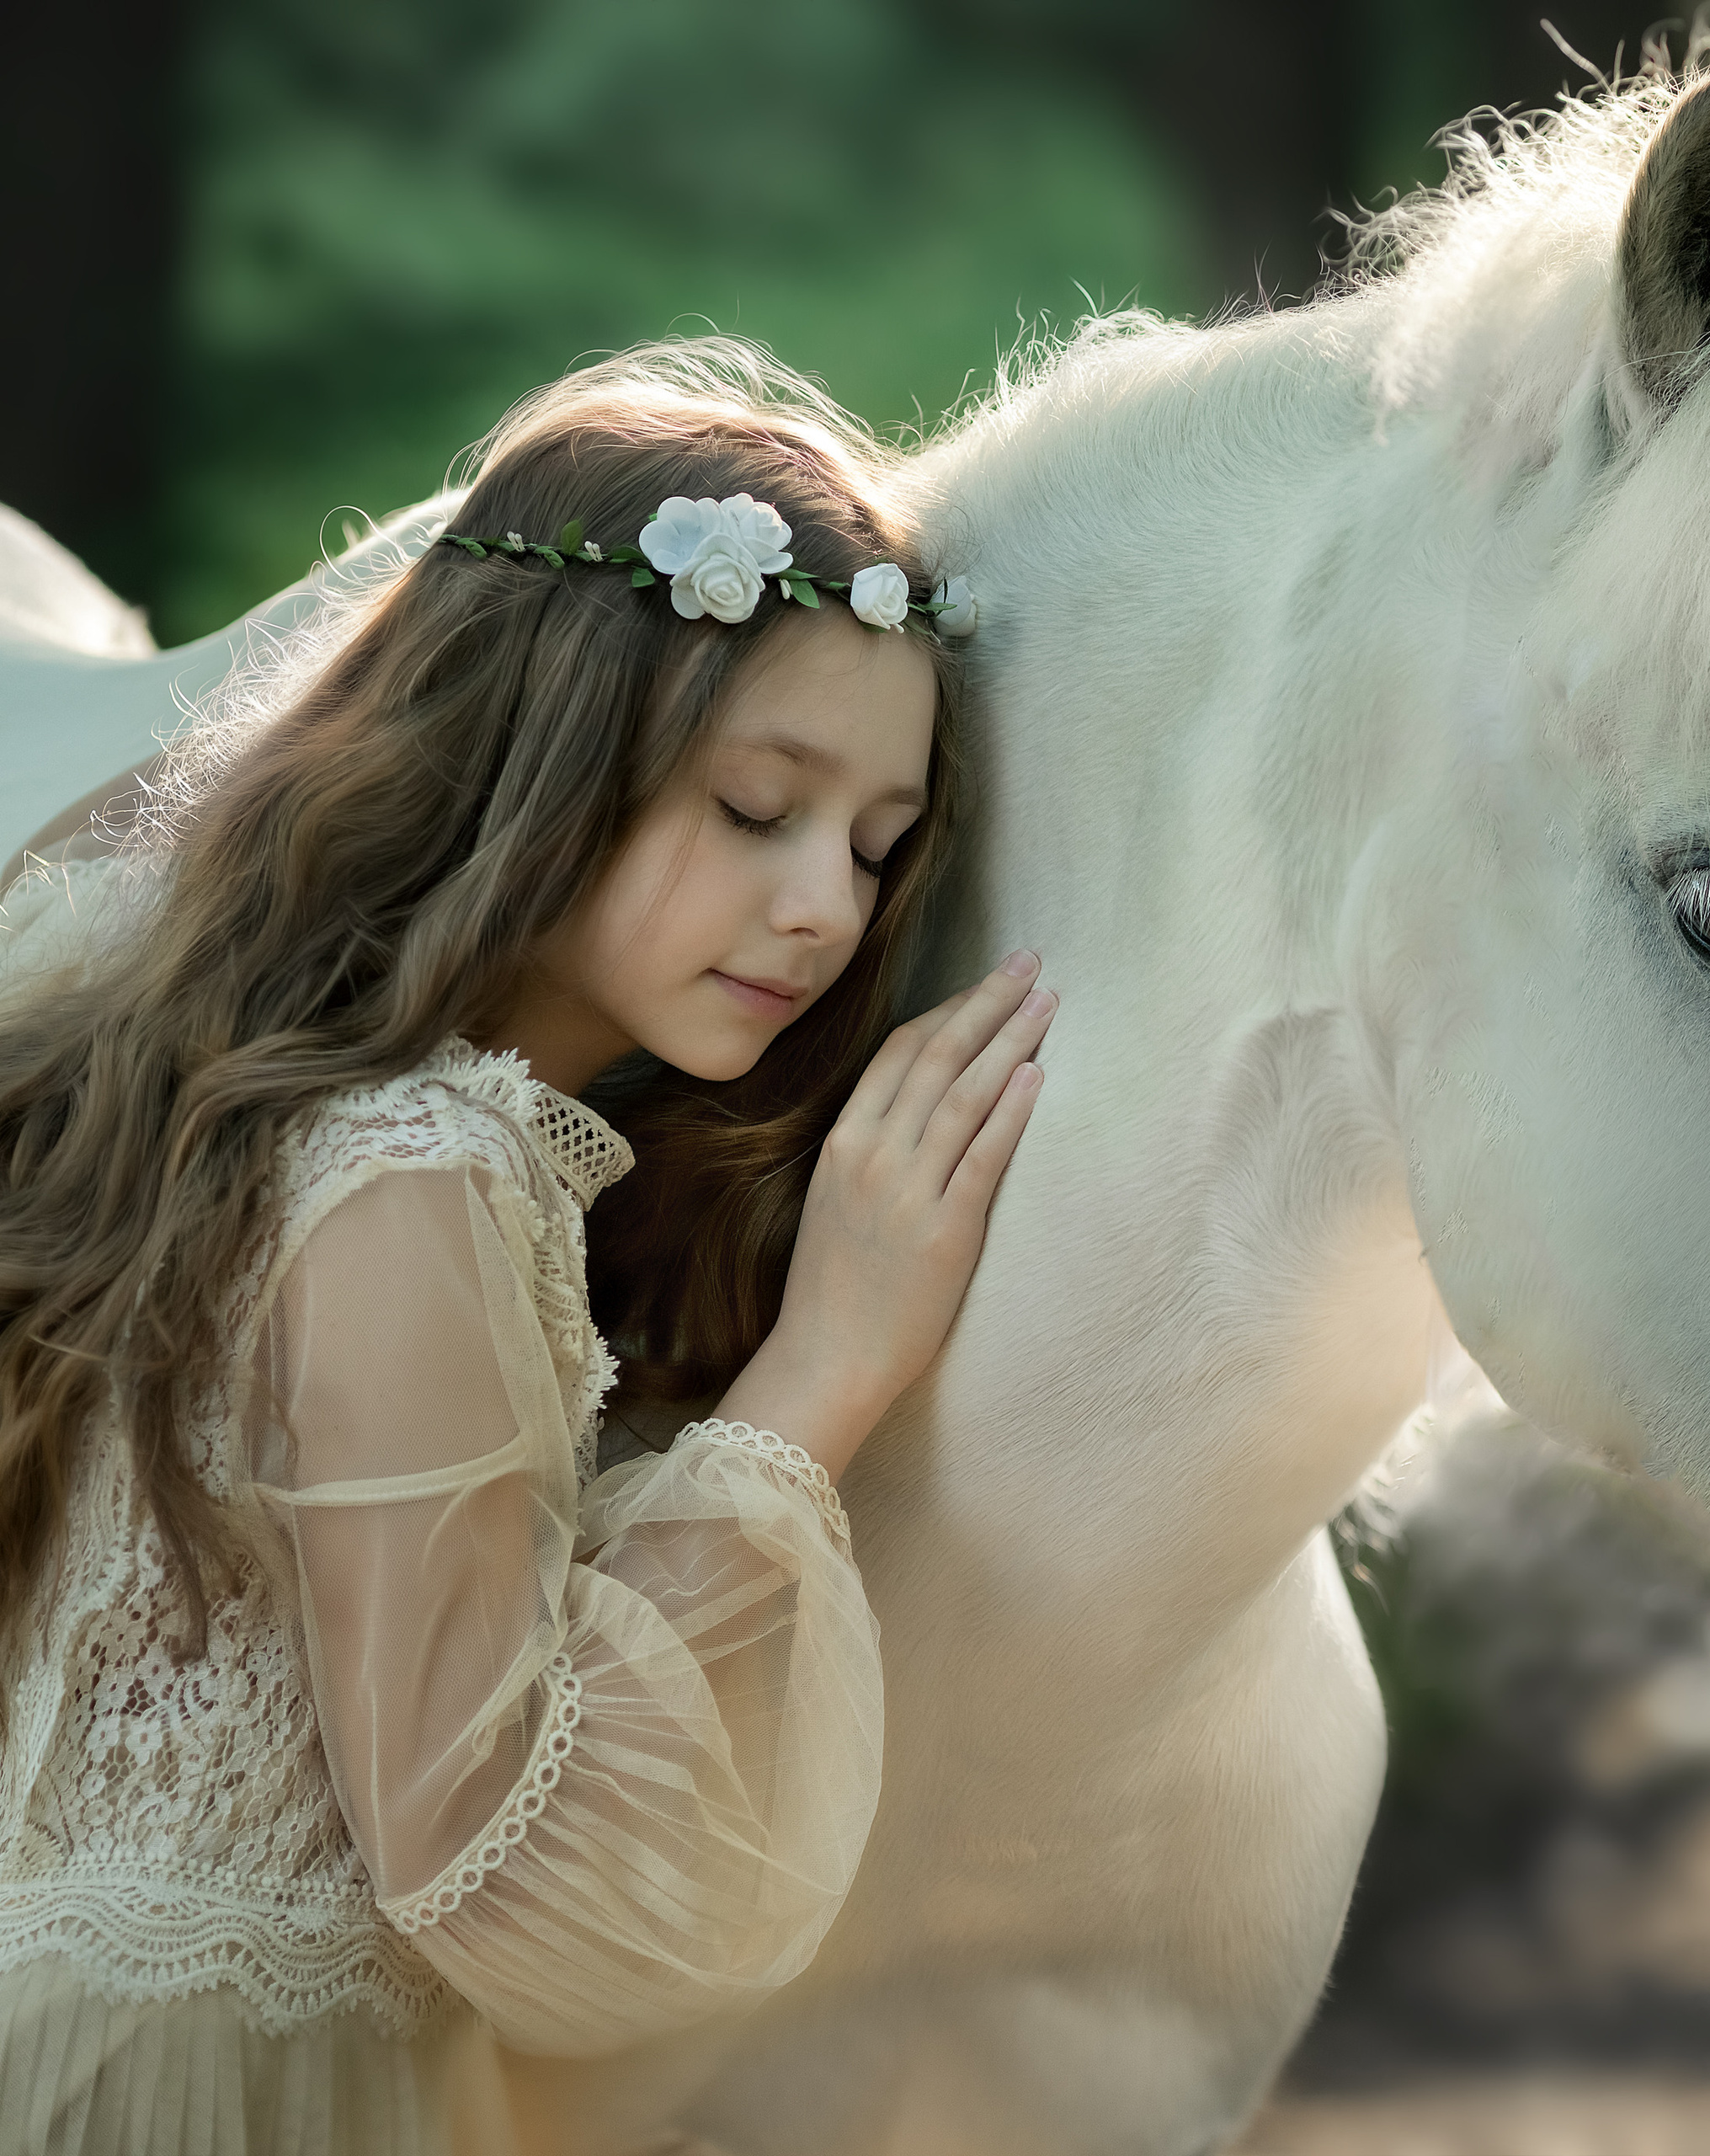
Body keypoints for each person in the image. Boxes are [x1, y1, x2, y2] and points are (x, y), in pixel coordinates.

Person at [0, 342, 1047, 2155]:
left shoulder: (202, 1049)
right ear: (542, 737)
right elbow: (502, 1862)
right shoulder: (417, 1169)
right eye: (755, 807)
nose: (826, 908)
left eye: (881, 848)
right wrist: (825, 1370)